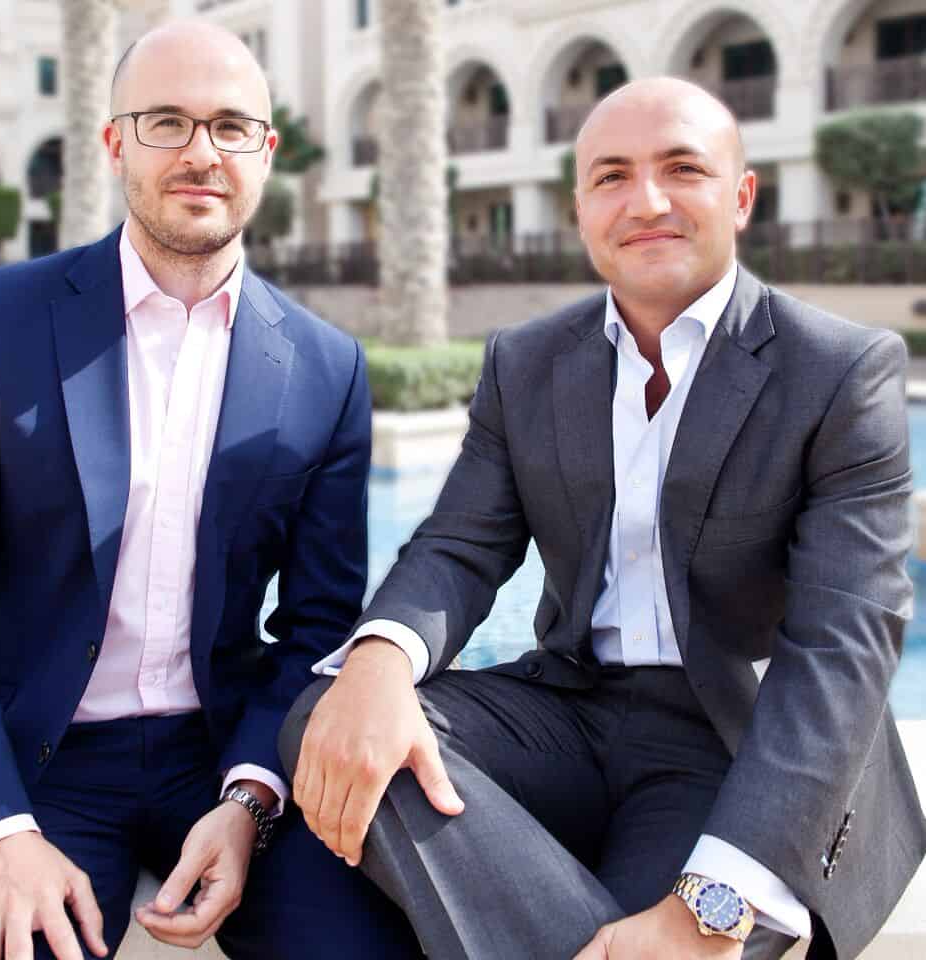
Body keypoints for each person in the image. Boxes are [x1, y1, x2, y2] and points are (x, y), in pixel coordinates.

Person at [281, 77, 926, 960]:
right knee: (339, 717)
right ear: (581, 207)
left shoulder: (840, 371)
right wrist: (381, 659)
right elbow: (459, 546)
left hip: (736, 741)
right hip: (571, 713)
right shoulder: (525, 361)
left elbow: (841, 645)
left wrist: (709, 907)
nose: (645, 201)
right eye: (612, 175)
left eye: (682, 169)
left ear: (741, 197)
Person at [0, 20, 420, 960]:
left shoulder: (327, 368)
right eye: (166, 121)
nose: (202, 152)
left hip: (220, 757)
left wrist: (250, 798)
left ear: (265, 151)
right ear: (114, 142)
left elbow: (317, 623)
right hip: (32, 763)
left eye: (230, 126)